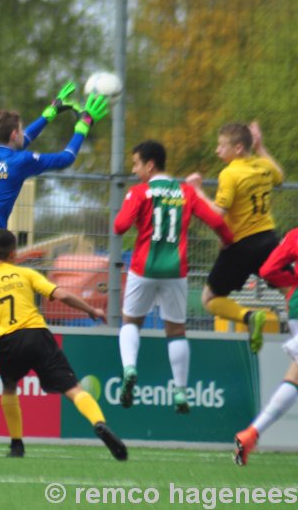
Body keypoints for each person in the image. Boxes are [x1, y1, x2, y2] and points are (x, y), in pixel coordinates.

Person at [0, 87, 110, 378]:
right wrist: (83, 124)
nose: (23, 134)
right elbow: (65, 158)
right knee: (13, 317)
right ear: (14, 133)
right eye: (21, 130)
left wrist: (49, 113)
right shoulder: (19, 162)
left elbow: (22, 142)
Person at [0, 229, 127, 461]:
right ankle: (99, 423)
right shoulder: (26, 274)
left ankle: (17, 445)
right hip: (37, 335)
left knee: (9, 388)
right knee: (74, 389)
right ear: (14, 253)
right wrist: (91, 309)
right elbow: (61, 295)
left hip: (8, 342)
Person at [114, 141, 234, 413]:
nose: (134, 171)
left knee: (131, 320)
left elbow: (119, 227)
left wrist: (134, 207)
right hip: (176, 271)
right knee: (176, 330)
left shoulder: (139, 192)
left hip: (143, 269)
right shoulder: (186, 192)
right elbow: (216, 222)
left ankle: (130, 368)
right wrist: (228, 241)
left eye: (135, 164)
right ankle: (180, 392)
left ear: (149, 165)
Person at [186, 122, 284, 353]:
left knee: (209, 299)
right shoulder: (263, 166)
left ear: (238, 148)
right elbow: (279, 177)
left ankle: (249, 317)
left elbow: (217, 213)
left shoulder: (230, 173)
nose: (217, 150)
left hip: (240, 246)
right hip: (269, 240)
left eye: (222, 145)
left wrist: (197, 190)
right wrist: (260, 148)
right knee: (289, 289)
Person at [234, 228, 298, 465]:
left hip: (296, 308)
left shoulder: (295, 236)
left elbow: (268, 270)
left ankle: (251, 433)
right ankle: (252, 433)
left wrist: (293, 282)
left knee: (295, 374)